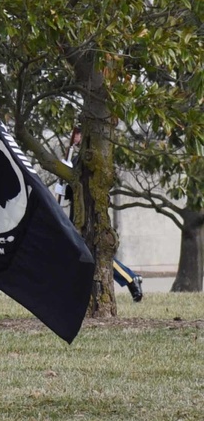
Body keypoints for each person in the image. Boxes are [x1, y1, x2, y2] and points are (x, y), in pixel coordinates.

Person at [57, 129, 144, 302]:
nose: (75, 137)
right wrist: (62, 176)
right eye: (74, 135)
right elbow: (70, 188)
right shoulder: (74, 158)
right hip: (77, 212)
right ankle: (130, 277)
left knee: (95, 253)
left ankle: (130, 278)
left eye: (79, 134)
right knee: (79, 253)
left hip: (89, 213)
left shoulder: (88, 157)